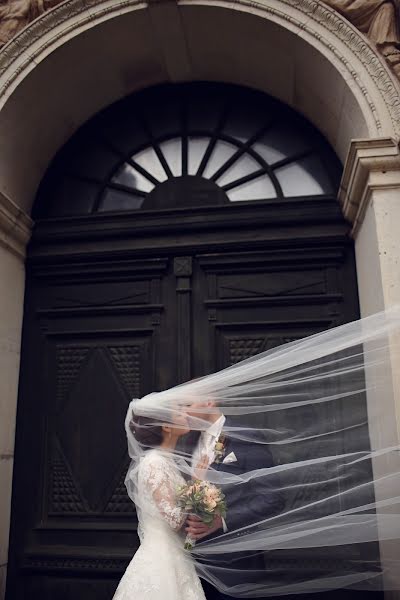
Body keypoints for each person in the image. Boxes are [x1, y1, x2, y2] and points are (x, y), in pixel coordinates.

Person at [186, 399, 284, 600]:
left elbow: (273, 498)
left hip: (236, 564)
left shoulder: (245, 436)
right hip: (191, 566)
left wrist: (221, 521)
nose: (181, 411)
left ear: (209, 402)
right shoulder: (184, 443)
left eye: (187, 405)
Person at [112, 410, 206, 600]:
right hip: (161, 560)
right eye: (179, 414)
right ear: (166, 426)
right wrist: (196, 482)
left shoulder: (167, 461)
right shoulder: (154, 463)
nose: (186, 415)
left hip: (176, 555)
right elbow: (174, 519)